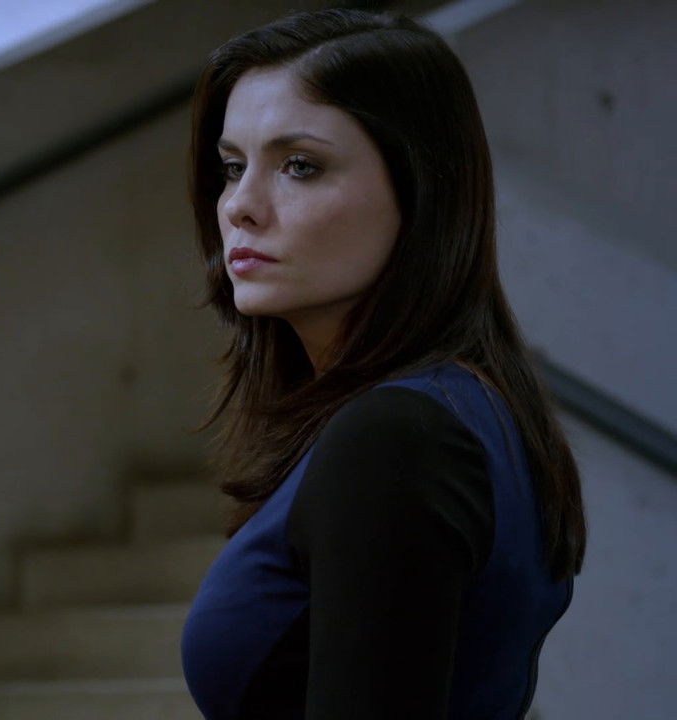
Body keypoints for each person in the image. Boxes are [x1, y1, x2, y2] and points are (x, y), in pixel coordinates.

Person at [178, 8, 587, 719]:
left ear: (421, 191)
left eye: (300, 166)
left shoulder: (399, 436)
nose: (241, 206)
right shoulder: (455, 410)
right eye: (233, 167)